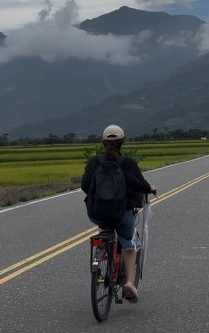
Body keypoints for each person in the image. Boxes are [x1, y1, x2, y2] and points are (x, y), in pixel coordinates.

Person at [81, 124, 156, 302]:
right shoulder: (127, 163)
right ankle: (129, 282)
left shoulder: (94, 162)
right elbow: (141, 185)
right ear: (123, 142)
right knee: (129, 245)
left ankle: (102, 258)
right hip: (123, 214)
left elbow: (85, 185)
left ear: (103, 142)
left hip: (97, 213)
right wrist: (150, 188)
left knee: (105, 230)